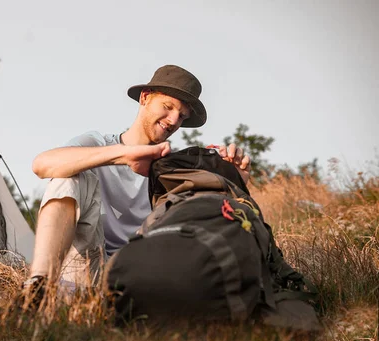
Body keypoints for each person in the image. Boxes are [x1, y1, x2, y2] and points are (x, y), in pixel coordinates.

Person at [24, 65, 251, 291]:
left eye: (182, 116)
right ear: (145, 98)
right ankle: (38, 285)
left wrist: (235, 180)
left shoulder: (175, 169)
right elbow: (41, 165)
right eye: (168, 106)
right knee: (68, 177)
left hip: (137, 274)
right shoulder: (98, 142)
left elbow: (208, 220)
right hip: (85, 268)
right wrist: (124, 155)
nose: (173, 120)